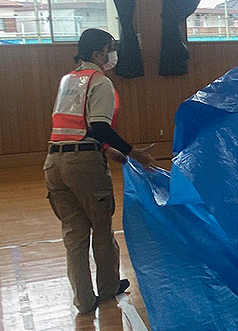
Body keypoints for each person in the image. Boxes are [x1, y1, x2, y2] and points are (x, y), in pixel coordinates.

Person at [44, 28, 157, 315]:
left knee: (74, 234)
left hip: (54, 163)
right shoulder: (100, 82)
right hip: (84, 166)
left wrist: (110, 152)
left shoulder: (68, 80)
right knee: (102, 229)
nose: (113, 55)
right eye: (110, 49)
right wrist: (134, 153)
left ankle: (83, 300)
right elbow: (99, 127)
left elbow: (76, 129)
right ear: (97, 54)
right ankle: (108, 287)